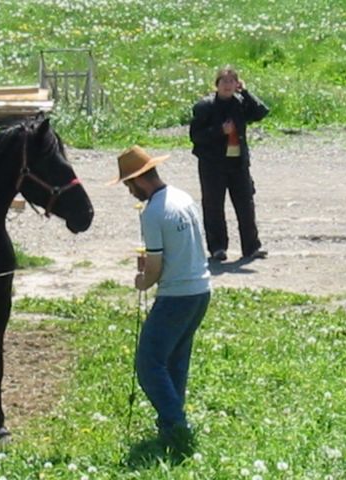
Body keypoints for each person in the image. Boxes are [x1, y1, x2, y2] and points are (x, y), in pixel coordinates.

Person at [109, 145, 211, 454]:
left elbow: (153, 269)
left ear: (139, 180)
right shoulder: (183, 197)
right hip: (200, 291)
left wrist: (142, 280)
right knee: (175, 362)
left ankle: (177, 424)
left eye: (128, 185)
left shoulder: (152, 211)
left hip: (176, 295)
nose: (130, 192)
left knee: (149, 365)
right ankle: (170, 431)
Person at [189, 65, 269, 262]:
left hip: (238, 163)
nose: (227, 85)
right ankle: (217, 248)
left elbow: (261, 112)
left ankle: (251, 247)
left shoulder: (240, 103)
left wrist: (247, 92)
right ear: (217, 84)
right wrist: (219, 131)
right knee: (213, 206)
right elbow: (196, 136)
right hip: (212, 165)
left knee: (246, 205)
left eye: (232, 81)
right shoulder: (205, 106)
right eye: (224, 81)